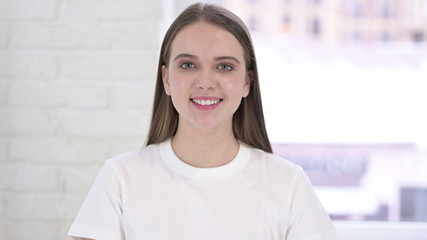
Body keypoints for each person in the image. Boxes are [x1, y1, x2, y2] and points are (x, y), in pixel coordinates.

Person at [68, 3, 341, 240]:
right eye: (188, 65)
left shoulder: (288, 184)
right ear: (166, 79)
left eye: (224, 66)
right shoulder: (120, 179)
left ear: (247, 81)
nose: (206, 83)